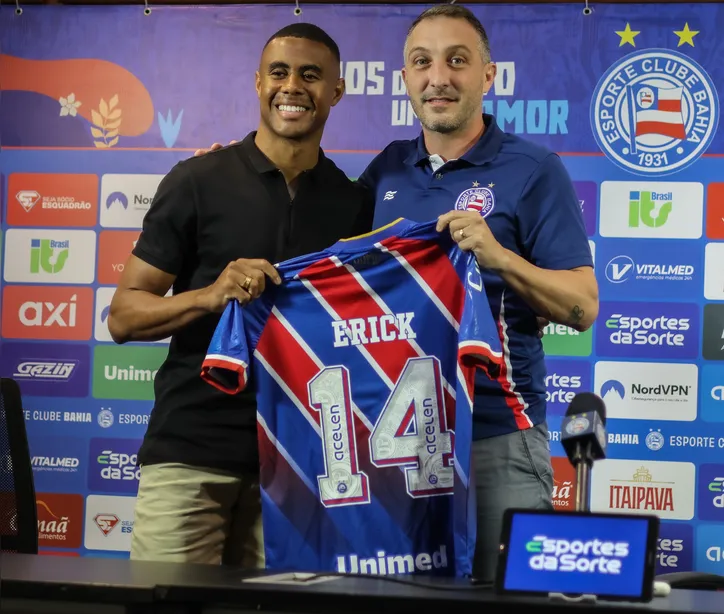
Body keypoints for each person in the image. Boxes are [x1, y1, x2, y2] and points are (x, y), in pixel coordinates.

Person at [196, 5, 598, 583]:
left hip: (494, 437)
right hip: (388, 446)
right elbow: (328, 256)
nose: (439, 76)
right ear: (405, 79)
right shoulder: (385, 171)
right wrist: (230, 167)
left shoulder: (534, 170)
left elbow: (583, 306)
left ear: (488, 76)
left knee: (510, 599)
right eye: (422, 62)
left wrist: (499, 258)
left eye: (457, 61)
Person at [108, 22, 373, 567]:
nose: (292, 86)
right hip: (191, 453)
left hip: (302, 465)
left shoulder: (353, 205)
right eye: (279, 72)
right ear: (258, 83)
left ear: (337, 92)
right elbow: (123, 316)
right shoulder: (197, 180)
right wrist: (210, 296)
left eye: (310, 75)